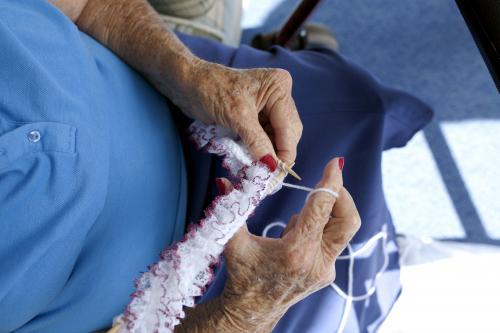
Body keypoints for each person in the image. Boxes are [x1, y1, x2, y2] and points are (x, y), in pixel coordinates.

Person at [0, 0, 432, 332]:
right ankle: (388, 255)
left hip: (169, 82)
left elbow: (88, 4)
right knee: (321, 292)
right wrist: (241, 314)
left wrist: (188, 73)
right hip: (180, 291)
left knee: (355, 105)